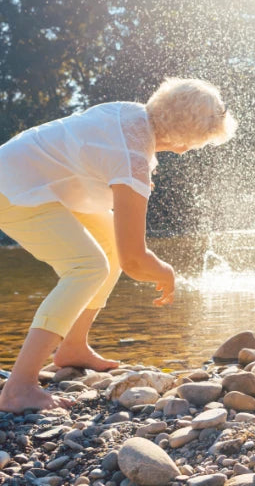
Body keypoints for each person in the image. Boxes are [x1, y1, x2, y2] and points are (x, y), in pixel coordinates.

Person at [0, 77, 236, 413]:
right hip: (12, 190)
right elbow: (134, 259)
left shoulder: (131, 114)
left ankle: (72, 346)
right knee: (87, 266)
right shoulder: (133, 157)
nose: (190, 150)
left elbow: (97, 165)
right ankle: (19, 387)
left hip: (32, 178)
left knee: (107, 244)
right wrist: (166, 272)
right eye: (198, 143)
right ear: (186, 138)